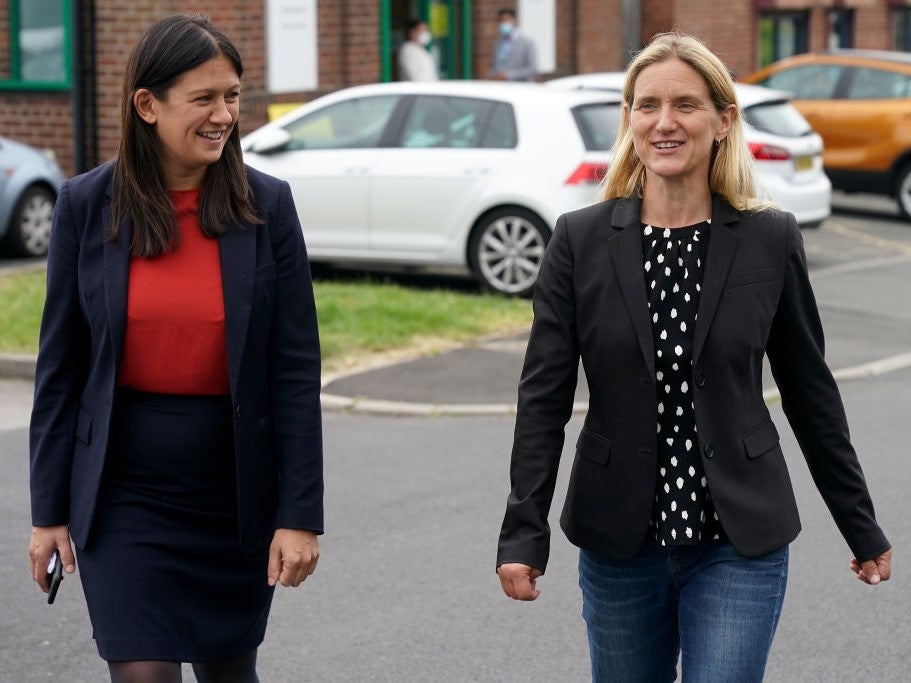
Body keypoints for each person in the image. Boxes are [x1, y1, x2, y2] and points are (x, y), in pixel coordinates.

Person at [496, 32, 891, 682]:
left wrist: (859, 522)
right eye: (646, 104)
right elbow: (541, 399)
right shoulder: (580, 241)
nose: (663, 121)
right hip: (618, 537)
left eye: (684, 104)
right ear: (629, 119)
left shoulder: (768, 238)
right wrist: (521, 531)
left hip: (738, 538)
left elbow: (809, 392)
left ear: (722, 119)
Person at [27, 14, 323, 683]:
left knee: (227, 673)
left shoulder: (267, 207)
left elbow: (294, 372)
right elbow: (60, 369)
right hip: (122, 490)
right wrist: (47, 511)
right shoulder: (85, 205)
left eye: (232, 97)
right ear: (147, 104)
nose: (224, 114)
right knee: (144, 674)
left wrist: (299, 516)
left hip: (234, 491)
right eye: (205, 98)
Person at [488, 8, 537, 82]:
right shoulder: (498, 43)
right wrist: (493, 75)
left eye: (507, 20)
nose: (504, 23)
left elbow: (532, 69)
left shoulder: (527, 43)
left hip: (519, 88)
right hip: (500, 88)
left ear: (515, 21)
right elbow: (493, 66)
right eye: (501, 21)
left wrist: (508, 75)